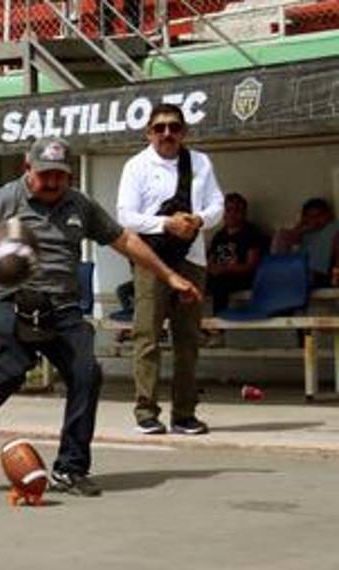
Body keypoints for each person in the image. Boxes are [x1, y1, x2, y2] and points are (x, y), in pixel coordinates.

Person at [0, 136, 201, 497]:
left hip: (62, 306)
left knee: (86, 373)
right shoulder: (0, 201)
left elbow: (124, 240)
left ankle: (70, 468)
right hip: (10, 299)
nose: (52, 182)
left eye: (60, 176)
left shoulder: (79, 204)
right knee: (10, 372)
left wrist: (170, 276)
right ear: (27, 169)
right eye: (45, 174)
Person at [116, 103, 223, 436]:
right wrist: (167, 224)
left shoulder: (200, 162)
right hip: (152, 261)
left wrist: (199, 219)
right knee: (146, 335)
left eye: (174, 127)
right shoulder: (136, 166)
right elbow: (126, 217)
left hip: (192, 259)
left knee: (188, 339)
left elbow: (217, 204)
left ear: (183, 132)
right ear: (149, 132)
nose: (167, 134)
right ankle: (146, 411)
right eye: (160, 127)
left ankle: (185, 413)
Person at [206, 192, 268, 314]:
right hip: (219, 275)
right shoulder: (219, 236)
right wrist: (212, 269)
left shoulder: (251, 234)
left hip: (243, 278)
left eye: (237, 210)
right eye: (228, 210)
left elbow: (251, 265)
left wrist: (226, 269)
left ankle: (218, 321)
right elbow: (210, 261)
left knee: (221, 282)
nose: (232, 214)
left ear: (244, 212)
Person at [272, 197, 339, 289]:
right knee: (281, 234)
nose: (316, 220)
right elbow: (282, 239)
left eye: (320, 215)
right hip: (296, 273)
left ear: (329, 214)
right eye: (312, 217)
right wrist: (301, 228)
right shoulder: (307, 231)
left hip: (319, 274)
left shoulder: (334, 228)